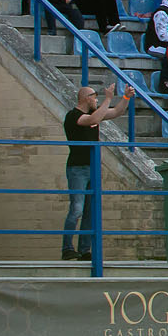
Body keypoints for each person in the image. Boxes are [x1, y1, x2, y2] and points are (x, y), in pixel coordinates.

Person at [62, 83, 126, 261]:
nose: (96, 99)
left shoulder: (94, 114)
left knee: (90, 211)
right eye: (94, 96)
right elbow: (90, 121)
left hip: (93, 167)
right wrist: (107, 99)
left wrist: (126, 97)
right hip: (78, 169)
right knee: (76, 209)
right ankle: (67, 248)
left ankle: (84, 250)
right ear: (85, 98)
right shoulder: (73, 116)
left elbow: (116, 112)